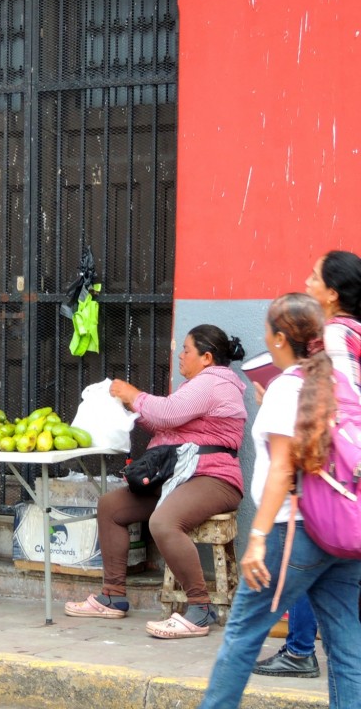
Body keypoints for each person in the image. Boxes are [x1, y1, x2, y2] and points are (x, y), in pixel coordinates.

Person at [197, 293, 361, 708]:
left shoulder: (287, 387)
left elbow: (282, 470)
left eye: (268, 331)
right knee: (347, 648)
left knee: (242, 635)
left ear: (280, 338)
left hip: (294, 533)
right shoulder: (337, 382)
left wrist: (257, 538)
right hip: (343, 530)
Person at [65, 324, 247, 638]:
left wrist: (133, 395)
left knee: (163, 522)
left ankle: (200, 608)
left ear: (206, 357)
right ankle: (112, 596)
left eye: (186, 349)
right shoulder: (198, 385)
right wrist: (129, 406)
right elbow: (166, 424)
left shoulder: (214, 382)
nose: (180, 355)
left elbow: (167, 413)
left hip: (213, 478)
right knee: (111, 507)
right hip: (180, 476)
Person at [254, 250, 361, 679]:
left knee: (301, 545)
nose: (307, 281)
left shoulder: (333, 335)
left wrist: (284, 401)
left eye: (314, 277)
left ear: (332, 293)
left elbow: (344, 403)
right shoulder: (356, 331)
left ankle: (299, 649)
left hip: (333, 471)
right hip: (349, 478)